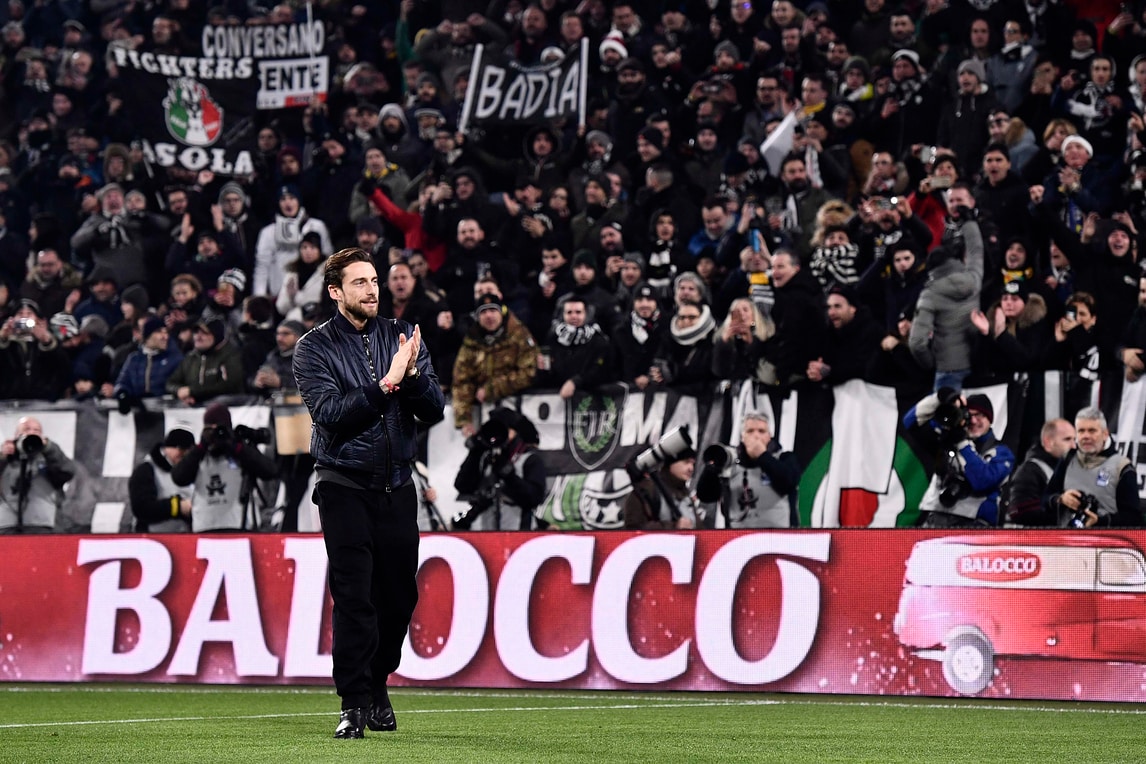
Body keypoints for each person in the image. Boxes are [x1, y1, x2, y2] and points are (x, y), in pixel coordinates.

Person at [292, 247, 445, 739]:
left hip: (397, 484)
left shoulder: (403, 335)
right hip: (343, 483)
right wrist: (388, 382)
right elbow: (331, 415)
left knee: (399, 598)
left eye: (374, 280)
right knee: (354, 595)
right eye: (359, 282)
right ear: (336, 292)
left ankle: (378, 682)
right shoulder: (312, 348)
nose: (372, 289)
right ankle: (354, 703)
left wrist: (413, 376)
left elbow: (435, 409)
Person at [903, 389, 1015, 527]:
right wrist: (939, 398)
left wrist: (962, 443)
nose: (973, 421)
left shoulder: (1002, 452)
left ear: (990, 419)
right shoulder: (947, 439)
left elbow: (982, 481)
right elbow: (910, 422)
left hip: (974, 525)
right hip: (935, 518)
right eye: (968, 415)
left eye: (979, 415)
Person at [695, 410, 801, 528]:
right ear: (742, 437)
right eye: (750, 431)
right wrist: (713, 468)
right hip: (739, 536)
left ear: (769, 436)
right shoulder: (730, 463)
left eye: (761, 431)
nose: (756, 436)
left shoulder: (784, 458)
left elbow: (789, 483)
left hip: (778, 535)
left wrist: (762, 456)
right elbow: (705, 495)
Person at [451, 293, 537, 436]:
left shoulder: (519, 334)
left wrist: (492, 389)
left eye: (493, 310)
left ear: (501, 312)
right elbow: (461, 381)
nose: (489, 316)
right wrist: (464, 419)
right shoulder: (471, 342)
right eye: (483, 312)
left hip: (518, 409)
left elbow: (529, 372)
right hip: (484, 414)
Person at [452, 408, 547, 531]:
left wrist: (510, 476)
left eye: (503, 430)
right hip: (482, 532)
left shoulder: (529, 459)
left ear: (514, 432)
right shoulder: (484, 456)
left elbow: (535, 498)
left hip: (519, 532)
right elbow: (462, 486)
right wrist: (475, 452)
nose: (497, 435)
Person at [1044, 408, 1142, 528]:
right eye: (1081, 431)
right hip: (1068, 537)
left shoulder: (1122, 467)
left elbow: (1134, 518)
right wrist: (1060, 499)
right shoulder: (1067, 460)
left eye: (1092, 431)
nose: (1086, 436)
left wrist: (1100, 521)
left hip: (1106, 539)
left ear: (1105, 434)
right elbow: (1045, 500)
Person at [0, 416, 77, 533]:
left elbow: (67, 471)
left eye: (36, 430)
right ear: (16, 435)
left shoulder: (49, 458)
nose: (31, 433)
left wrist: (49, 448)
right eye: (26, 429)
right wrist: (2, 457)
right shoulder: (6, 458)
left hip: (43, 524)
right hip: (6, 525)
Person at [1004, 418, 1075, 526]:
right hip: (1036, 535)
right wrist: (1059, 506)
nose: (1074, 445)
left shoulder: (1067, 468)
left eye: (1074, 439)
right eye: (1067, 439)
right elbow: (1018, 511)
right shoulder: (1029, 471)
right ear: (1048, 442)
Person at [129, 428, 196, 532]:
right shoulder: (146, 470)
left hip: (185, 535)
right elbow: (142, 508)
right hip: (153, 537)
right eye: (181, 451)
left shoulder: (190, 471)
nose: (183, 457)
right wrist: (178, 506)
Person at [622, 445, 699, 530]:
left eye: (693, 464)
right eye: (686, 462)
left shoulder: (686, 495)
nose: (691, 468)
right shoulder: (646, 491)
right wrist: (674, 526)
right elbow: (633, 529)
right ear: (671, 464)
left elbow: (700, 529)